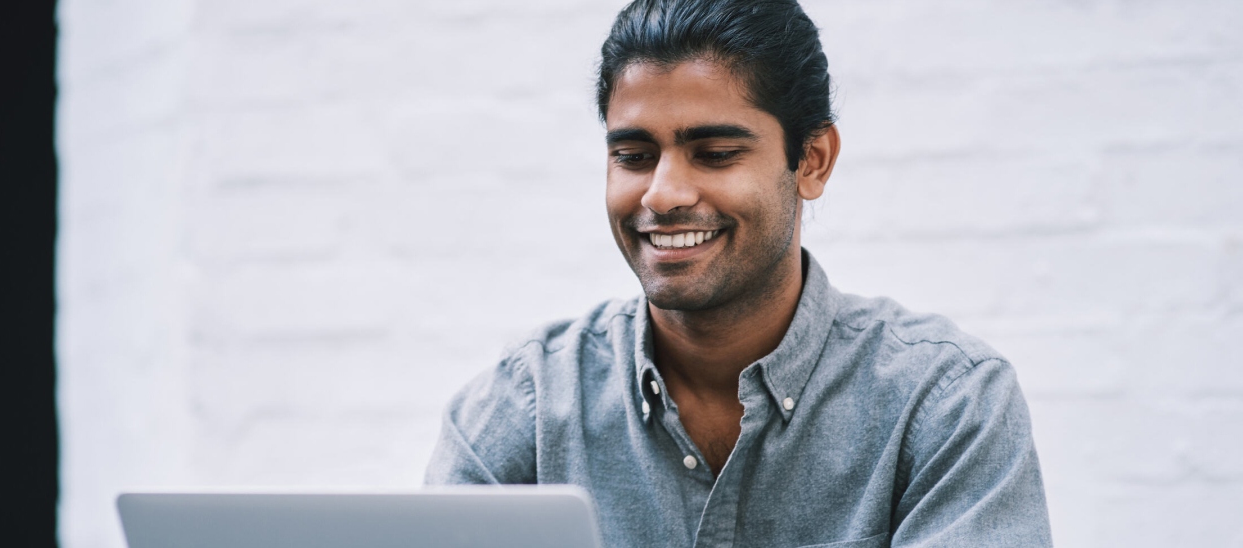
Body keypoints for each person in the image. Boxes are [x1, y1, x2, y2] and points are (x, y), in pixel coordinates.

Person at [425, 0, 1052, 546]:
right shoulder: (524, 408)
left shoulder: (944, 406)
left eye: (716, 154)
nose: (663, 194)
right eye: (634, 156)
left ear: (811, 160)